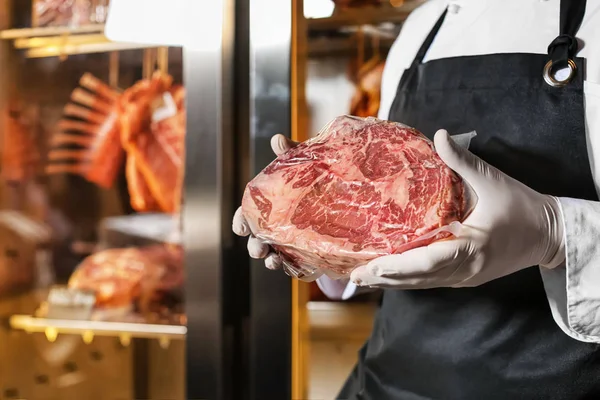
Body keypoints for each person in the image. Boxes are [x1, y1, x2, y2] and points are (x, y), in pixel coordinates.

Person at [233, 0, 600, 398]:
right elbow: (389, 214)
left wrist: (552, 233)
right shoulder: (421, 29)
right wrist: (322, 231)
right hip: (386, 382)